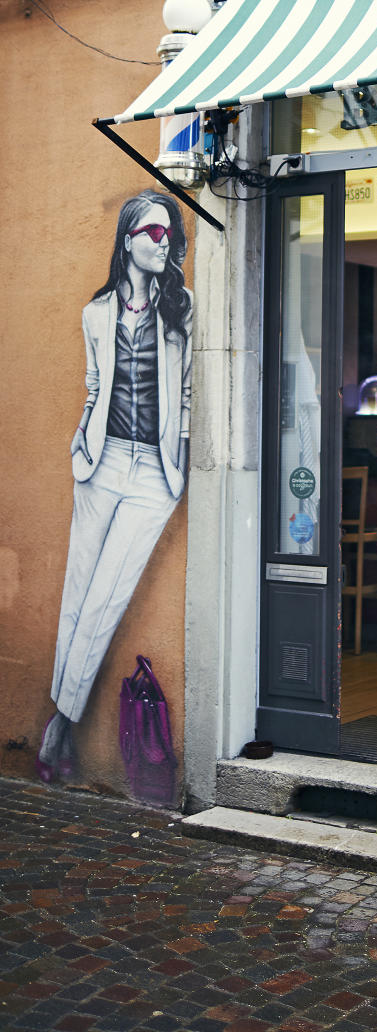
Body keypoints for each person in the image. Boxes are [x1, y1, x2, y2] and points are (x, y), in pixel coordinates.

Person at [37, 190, 192, 783]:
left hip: (154, 473)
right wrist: (81, 442)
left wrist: (177, 456)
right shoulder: (95, 312)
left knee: (105, 600)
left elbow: (186, 392)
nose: (164, 244)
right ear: (127, 240)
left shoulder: (181, 307)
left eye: (169, 236)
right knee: (77, 599)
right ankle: (62, 731)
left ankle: (59, 724)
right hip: (98, 466)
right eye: (153, 234)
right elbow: (96, 385)